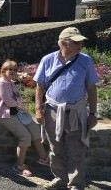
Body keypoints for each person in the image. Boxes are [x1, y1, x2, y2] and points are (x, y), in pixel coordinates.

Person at [33, 27, 98, 190]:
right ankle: (60, 179)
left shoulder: (85, 61)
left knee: (76, 149)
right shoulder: (48, 60)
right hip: (52, 111)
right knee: (55, 149)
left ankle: (75, 184)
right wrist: (38, 109)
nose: (81, 44)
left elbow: (91, 88)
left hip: (76, 112)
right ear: (63, 43)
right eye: (76, 42)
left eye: (81, 41)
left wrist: (93, 113)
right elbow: (39, 86)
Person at [0, 60, 49, 177]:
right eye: (10, 70)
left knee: (35, 131)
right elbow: (10, 102)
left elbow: (17, 100)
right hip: (5, 115)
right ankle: (18, 166)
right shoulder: (1, 83)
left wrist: (18, 103)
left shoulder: (11, 83)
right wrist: (19, 103)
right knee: (25, 137)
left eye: (14, 70)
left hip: (16, 112)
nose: (13, 72)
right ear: (3, 71)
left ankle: (43, 159)